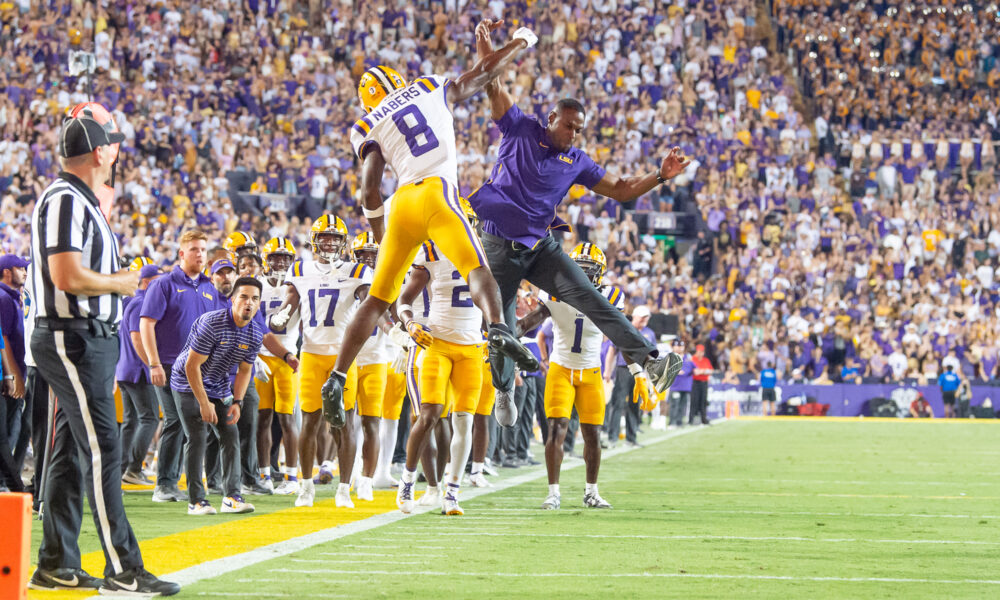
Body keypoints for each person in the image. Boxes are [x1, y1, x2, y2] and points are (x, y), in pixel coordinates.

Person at [323, 25, 542, 431]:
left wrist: (380, 235)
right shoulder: (426, 85)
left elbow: (370, 190)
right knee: (478, 269)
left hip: (403, 201)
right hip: (439, 192)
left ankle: (336, 376)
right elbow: (481, 74)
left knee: (376, 298)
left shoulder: (365, 123)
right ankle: (497, 330)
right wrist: (520, 42)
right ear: (399, 82)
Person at [471, 19, 687, 418]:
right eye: (568, 125)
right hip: (498, 246)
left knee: (592, 296)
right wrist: (488, 45)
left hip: (540, 247)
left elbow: (621, 189)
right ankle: (503, 389)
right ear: (551, 117)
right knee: (498, 328)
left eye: (579, 129)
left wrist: (659, 176)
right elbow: (491, 82)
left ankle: (651, 359)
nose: (573, 133)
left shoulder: (577, 161)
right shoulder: (518, 127)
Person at [26, 106, 178, 595]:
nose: (118, 149)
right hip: (71, 335)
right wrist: (121, 282)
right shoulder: (66, 199)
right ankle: (123, 568)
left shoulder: (81, 199)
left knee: (71, 451)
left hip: (84, 335)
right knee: (103, 446)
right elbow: (66, 276)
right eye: (113, 142)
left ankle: (56, 563)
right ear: (100, 150)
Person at [517, 243, 633, 510]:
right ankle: (553, 492)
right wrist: (511, 331)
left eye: (588, 270)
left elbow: (621, 334)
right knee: (556, 429)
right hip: (561, 369)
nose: (583, 274)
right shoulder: (555, 294)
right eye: (579, 269)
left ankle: (591, 491)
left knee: (592, 433)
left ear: (600, 273)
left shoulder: (612, 296)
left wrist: (637, 370)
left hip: (590, 371)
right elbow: (531, 321)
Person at [269, 215, 372, 508]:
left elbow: (366, 300)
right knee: (310, 421)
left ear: (343, 243)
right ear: (314, 240)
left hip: (343, 356)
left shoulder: (358, 270)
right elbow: (291, 299)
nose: (329, 243)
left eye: (335, 238)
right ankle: (305, 487)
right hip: (312, 353)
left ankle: (344, 489)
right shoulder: (299, 269)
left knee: (345, 422)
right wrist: (282, 315)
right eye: (324, 238)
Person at [393, 204, 491, 515]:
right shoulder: (431, 252)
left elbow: (494, 300)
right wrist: (410, 322)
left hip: (472, 347)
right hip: (436, 342)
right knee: (429, 414)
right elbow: (404, 299)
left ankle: (452, 493)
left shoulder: (488, 252)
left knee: (464, 420)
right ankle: (407, 482)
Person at [170, 277, 263, 516]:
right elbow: (192, 366)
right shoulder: (213, 323)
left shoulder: (255, 333)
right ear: (232, 299)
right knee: (197, 436)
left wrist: (238, 401)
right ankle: (196, 501)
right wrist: (203, 402)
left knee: (230, 434)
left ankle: (231, 497)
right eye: (243, 297)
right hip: (187, 382)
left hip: (219, 385)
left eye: (254, 298)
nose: (248, 303)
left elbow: (244, 370)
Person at [140, 229, 218, 503]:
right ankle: (164, 484)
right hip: (171, 365)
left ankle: (184, 481)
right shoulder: (163, 284)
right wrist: (154, 363)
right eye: (194, 249)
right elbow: (146, 323)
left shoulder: (210, 287)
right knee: (175, 420)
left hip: (200, 369)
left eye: (203, 250)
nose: (200, 254)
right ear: (181, 253)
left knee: (196, 423)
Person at [255, 237, 302, 495]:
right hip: (260, 357)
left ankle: (291, 476)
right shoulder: (256, 285)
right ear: (266, 259)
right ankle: (264, 474)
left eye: (285, 257)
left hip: (288, 358)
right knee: (262, 418)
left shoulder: (296, 287)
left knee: (287, 417)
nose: (280, 262)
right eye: (275, 257)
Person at [351, 232, 391, 502]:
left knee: (371, 422)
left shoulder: (390, 280)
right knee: (344, 423)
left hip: (376, 358)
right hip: (348, 359)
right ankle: (350, 473)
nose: (367, 259)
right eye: (362, 255)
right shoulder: (344, 279)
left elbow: (394, 318)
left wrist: (397, 344)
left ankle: (366, 478)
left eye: (372, 254)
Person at [117, 262, 162, 485]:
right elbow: (137, 337)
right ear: (146, 281)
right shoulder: (141, 302)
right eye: (157, 278)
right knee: (150, 418)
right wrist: (152, 365)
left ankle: (121, 469)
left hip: (128, 369)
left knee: (131, 421)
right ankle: (133, 468)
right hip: (138, 371)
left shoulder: (136, 301)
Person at [603, 305, 657, 448]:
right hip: (623, 369)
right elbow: (611, 352)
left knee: (635, 404)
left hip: (641, 371)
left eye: (647, 317)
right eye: (642, 317)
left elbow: (652, 356)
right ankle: (612, 438)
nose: (645, 320)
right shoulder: (624, 328)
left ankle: (631, 438)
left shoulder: (649, 333)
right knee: (617, 403)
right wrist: (607, 371)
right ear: (635, 316)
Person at [0, 254, 28, 492]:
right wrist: (12, 375)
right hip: (9, 376)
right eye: (20, 268)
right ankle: (8, 483)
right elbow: (4, 338)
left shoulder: (13, 298)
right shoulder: (3, 298)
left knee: (17, 428)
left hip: (14, 372)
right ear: (7, 272)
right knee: (10, 431)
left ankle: (11, 481)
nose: (25, 272)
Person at [668, 338, 693, 429]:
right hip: (675, 386)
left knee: (683, 405)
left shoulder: (688, 358)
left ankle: (679, 422)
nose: (679, 348)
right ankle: (672, 422)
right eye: (677, 346)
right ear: (673, 347)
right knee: (674, 404)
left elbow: (693, 369)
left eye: (681, 346)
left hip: (685, 386)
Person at [690, 344, 713, 425]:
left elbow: (710, 371)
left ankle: (703, 419)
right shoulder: (693, 359)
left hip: (704, 383)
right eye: (699, 352)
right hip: (695, 382)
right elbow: (695, 372)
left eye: (702, 352)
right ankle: (691, 419)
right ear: (697, 351)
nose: (701, 353)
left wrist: (702, 371)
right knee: (694, 401)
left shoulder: (706, 360)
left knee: (703, 401)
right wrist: (704, 371)